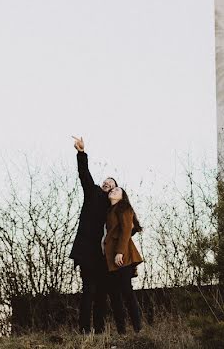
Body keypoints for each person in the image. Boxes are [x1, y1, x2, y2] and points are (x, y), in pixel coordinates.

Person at [68, 136, 116, 334]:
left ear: (116, 190)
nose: (106, 183)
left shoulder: (116, 209)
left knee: (102, 293)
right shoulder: (93, 193)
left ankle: (99, 329)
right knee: (88, 290)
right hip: (88, 252)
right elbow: (84, 174)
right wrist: (81, 153)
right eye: (105, 181)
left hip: (105, 256)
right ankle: (84, 329)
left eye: (111, 183)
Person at [103, 186, 144, 334]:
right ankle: (122, 331)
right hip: (110, 258)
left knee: (127, 292)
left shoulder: (124, 207)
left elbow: (126, 229)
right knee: (114, 295)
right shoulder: (109, 211)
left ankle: (138, 329)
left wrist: (120, 252)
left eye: (117, 190)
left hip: (123, 256)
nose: (112, 191)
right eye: (111, 190)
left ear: (122, 196)